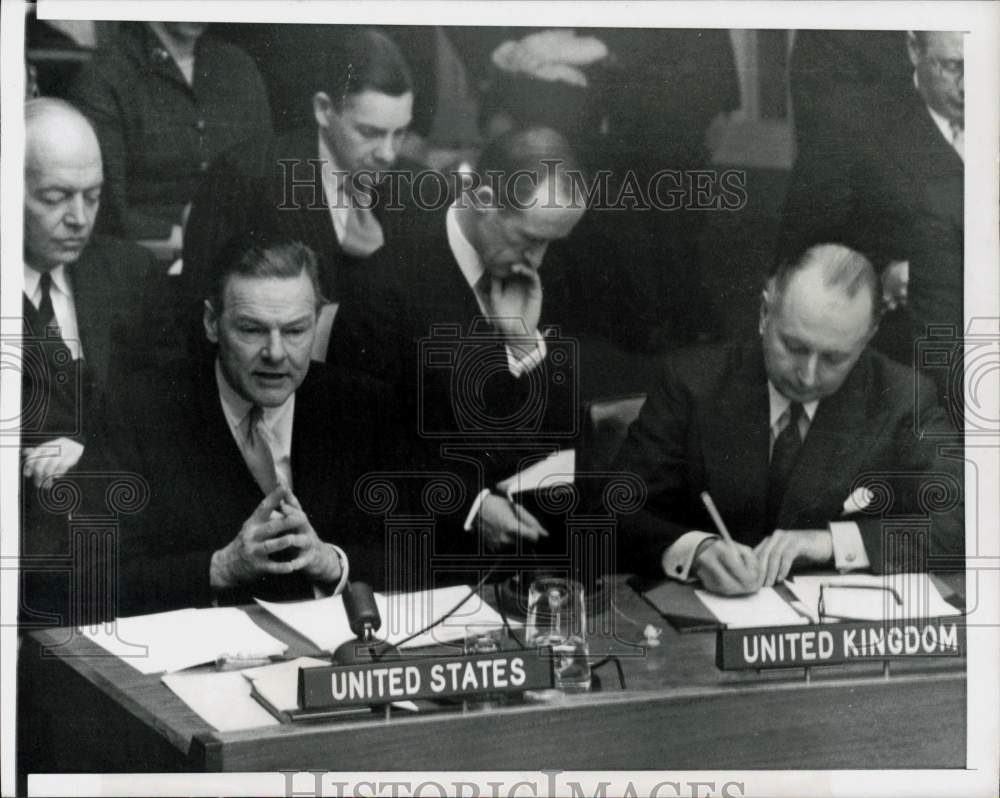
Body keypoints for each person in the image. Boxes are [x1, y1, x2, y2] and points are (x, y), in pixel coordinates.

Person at [612, 243, 963, 596]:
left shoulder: (904, 398)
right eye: (794, 347)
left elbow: (968, 520)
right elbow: (613, 510)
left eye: (834, 358)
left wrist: (830, 543)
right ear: (765, 314)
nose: (808, 376)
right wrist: (696, 551)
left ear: (867, 338)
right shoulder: (692, 381)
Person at [93, 237, 402, 616]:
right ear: (211, 322)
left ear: (317, 324)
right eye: (252, 330)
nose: (275, 353)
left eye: (294, 331)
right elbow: (94, 573)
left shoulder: (362, 406)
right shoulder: (140, 411)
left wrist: (332, 562)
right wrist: (219, 568)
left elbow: (412, 554)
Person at [331, 126, 586, 559]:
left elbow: (568, 428)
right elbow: (360, 441)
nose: (539, 259)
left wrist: (524, 345)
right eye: (529, 239)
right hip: (422, 543)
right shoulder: (384, 284)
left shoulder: (547, 273)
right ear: (483, 201)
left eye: (551, 242)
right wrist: (470, 505)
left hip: (533, 537)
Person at [19, 98, 166, 624]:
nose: (79, 218)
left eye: (94, 196)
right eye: (55, 198)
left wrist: (90, 445)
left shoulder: (129, 271)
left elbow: (168, 405)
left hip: (132, 554)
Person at [780, 31, 963, 404]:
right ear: (914, 49)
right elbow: (801, 254)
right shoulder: (851, 126)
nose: (971, 86)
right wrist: (879, 279)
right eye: (954, 67)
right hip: (910, 366)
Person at [181, 28, 414, 317]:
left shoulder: (415, 185)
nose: (388, 153)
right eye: (369, 132)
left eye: (400, 133)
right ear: (323, 109)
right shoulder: (244, 178)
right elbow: (199, 310)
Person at [68, 21, 271, 251]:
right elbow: (107, 212)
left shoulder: (238, 67)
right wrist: (198, 244)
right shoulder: (105, 75)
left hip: (240, 260)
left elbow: (266, 184)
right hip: (146, 263)